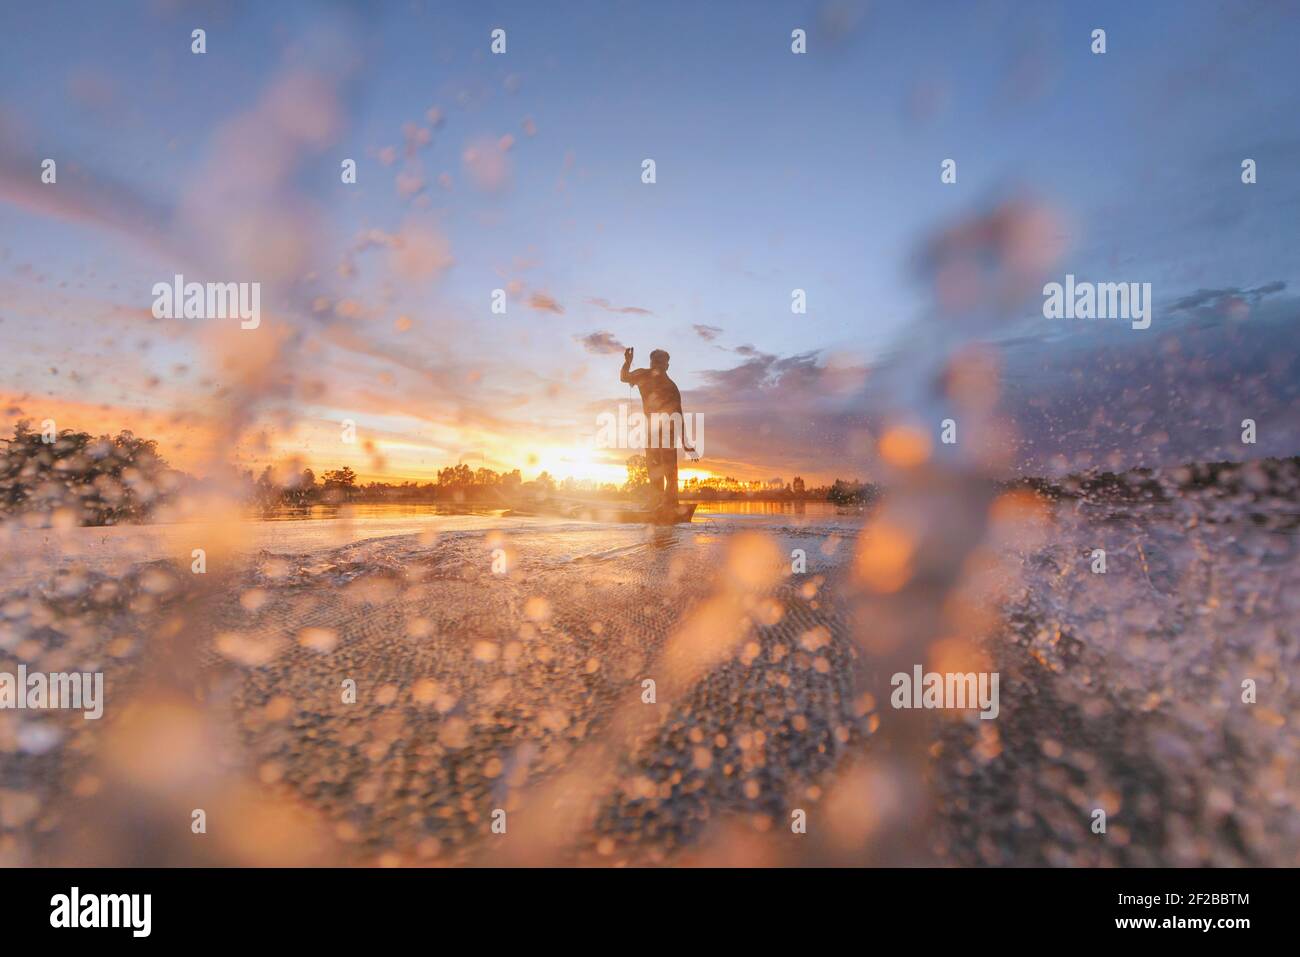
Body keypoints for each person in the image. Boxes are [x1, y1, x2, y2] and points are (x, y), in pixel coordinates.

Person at [620, 347, 698, 510]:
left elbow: (678, 415)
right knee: (653, 465)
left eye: (661, 364)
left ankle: (670, 502)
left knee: (669, 467)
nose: (657, 367)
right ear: (651, 363)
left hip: (668, 431)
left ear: (667, 366)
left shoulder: (671, 387)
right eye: (654, 363)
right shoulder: (642, 375)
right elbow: (624, 378)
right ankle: (656, 500)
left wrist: (686, 443)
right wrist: (627, 363)